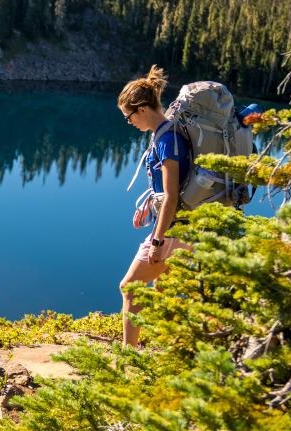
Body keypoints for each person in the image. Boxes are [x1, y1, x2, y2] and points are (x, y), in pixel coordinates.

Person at [117, 65, 193, 348]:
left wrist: (158, 241)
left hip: (173, 230)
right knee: (164, 291)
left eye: (128, 117)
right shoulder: (167, 132)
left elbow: (172, 195)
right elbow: (165, 192)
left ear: (141, 110)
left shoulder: (167, 139)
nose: (129, 122)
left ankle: (129, 357)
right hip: (186, 228)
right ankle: (168, 353)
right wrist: (149, 204)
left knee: (130, 288)